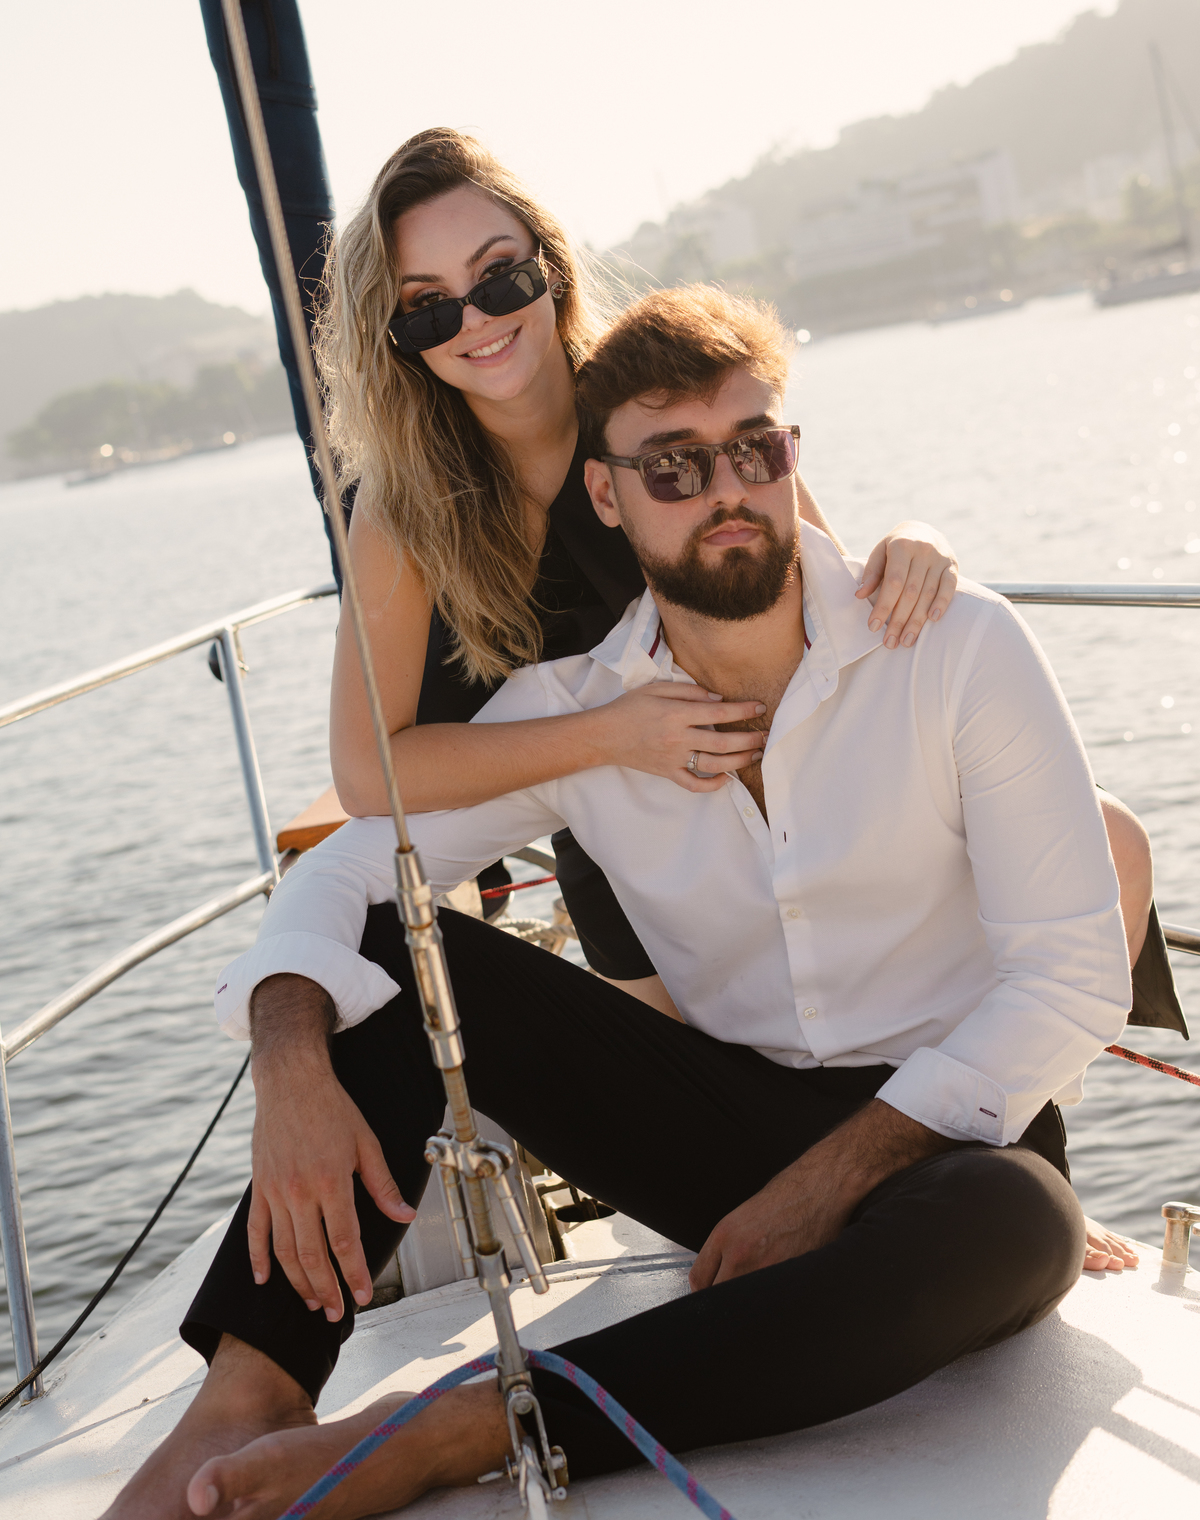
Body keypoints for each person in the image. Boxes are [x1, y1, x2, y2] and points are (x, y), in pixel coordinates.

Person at [111, 286, 1136, 1519]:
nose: (727, 491)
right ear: (606, 494)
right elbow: (349, 869)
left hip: (948, 1142)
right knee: (390, 951)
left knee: (1019, 1223)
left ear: (791, 457)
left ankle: (464, 1426)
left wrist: (826, 1182)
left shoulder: (957, 648)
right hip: (730, 1129)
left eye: (755, 450)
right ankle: (256, 1387)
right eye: (673, 466)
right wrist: (287, 1060)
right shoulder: (579, 710)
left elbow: (1072, 976)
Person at [316, 126, 966, 987]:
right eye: (429, 304)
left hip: (788, 806)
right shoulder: (403, 511)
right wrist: (612, 736)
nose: (476, 320)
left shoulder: (653, 406)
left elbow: (814, 589)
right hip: (612, 867)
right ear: (397, 334)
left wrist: (921, 540)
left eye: (499, 275)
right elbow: (368, 773)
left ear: (550, 267)